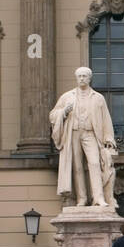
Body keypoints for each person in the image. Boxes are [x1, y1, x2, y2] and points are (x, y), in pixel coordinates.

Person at [49, 67, 117, 207]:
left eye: (84, 76)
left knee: (94, 163)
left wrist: (109, 138)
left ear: (89, 78)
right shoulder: (67, 96)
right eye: (79, 76)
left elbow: (106, 120)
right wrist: (63, 112)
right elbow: (52, 115)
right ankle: (82, 198)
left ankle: (98, 198)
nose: (81, 78)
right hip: (73, 132)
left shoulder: (98, 98)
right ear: (76, 78)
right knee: (77, 166)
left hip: (90, 133)